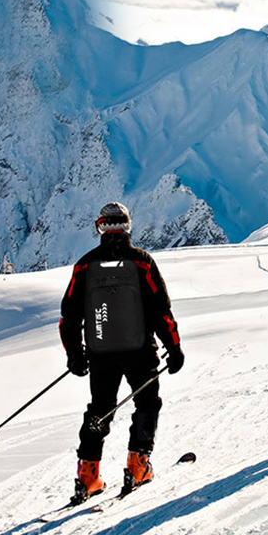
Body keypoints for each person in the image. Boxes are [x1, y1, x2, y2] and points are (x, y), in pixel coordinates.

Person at [59, 202, 185, 504]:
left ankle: (88, 476)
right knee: (146, 404)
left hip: (101, 353)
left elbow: (69, 316)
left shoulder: (85, 265)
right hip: (141, 351)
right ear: (127, 226)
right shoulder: (142, 262)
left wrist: (75, 354)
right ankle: (137, 466)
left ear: (100, 227)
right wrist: (174, 347)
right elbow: (160, 311)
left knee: (100, 410)